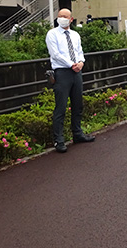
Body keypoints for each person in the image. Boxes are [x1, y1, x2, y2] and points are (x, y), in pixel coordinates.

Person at [45, 8, 95, 153]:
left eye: (65, 16)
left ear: (71, 19)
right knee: (60, 107)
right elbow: (55, 54)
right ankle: (58, 140)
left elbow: (79, 51)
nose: (62, 18)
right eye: (60, 16)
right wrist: (71, 64)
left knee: (77, 104)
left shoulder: (75, 34)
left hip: (76, 72)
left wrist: (80, 62)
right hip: (62, 72)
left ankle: (77, 134)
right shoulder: (52, 34)